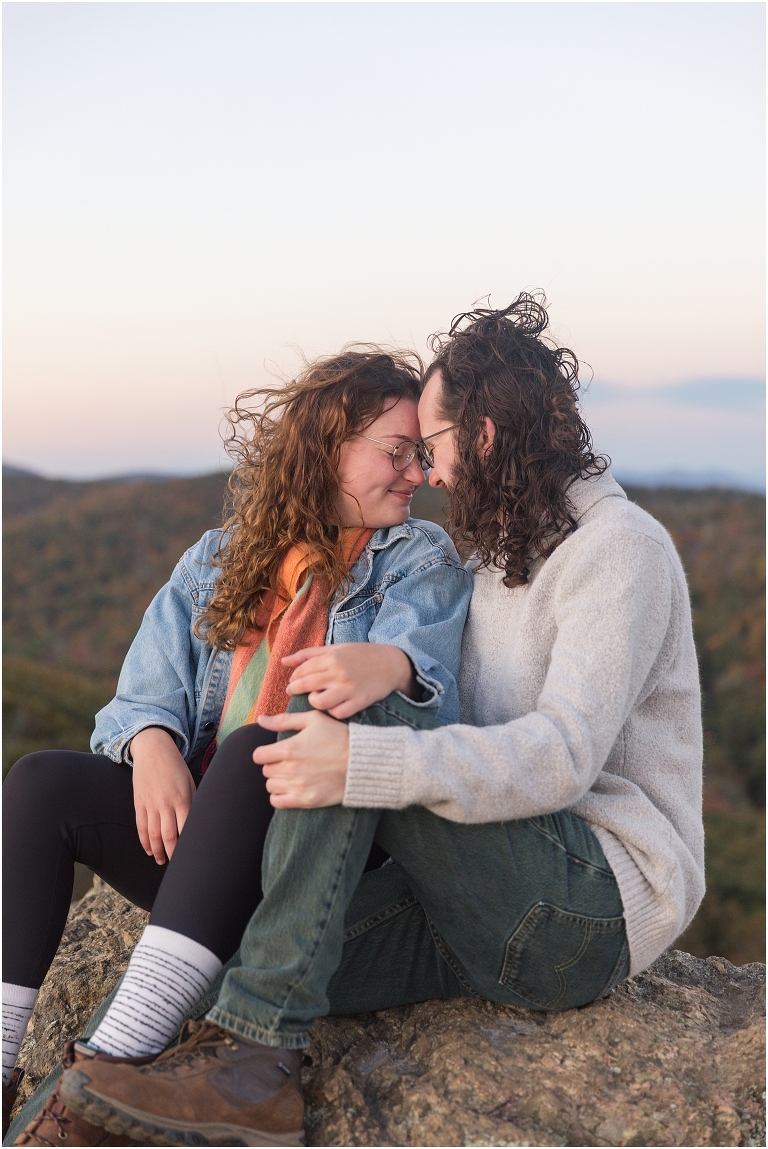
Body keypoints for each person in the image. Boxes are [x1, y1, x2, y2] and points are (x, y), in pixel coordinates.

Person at [35, 294, 708, 1148]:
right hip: (470, 897)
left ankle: (259, 1063)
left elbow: (560, 759)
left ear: (487, 436)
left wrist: (360, 760)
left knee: (353, 704)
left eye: (432, 448)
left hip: (581, 907)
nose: (428, 473)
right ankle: (59, 1117)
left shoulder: (620, 549)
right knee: (213, 962)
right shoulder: (491, 552)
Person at [3, 349, 472, 1146]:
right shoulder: (218, 558)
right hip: (201, 847)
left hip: (314, 859)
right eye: (398, 451)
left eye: (422, 454)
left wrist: (386, 664)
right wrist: (149, 743)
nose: (417, 473)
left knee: (266, 740)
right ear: (328, 445)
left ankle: (115, 1056)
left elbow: (424, 680)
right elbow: (138, 697)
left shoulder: (418, 560)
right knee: (41, 783)